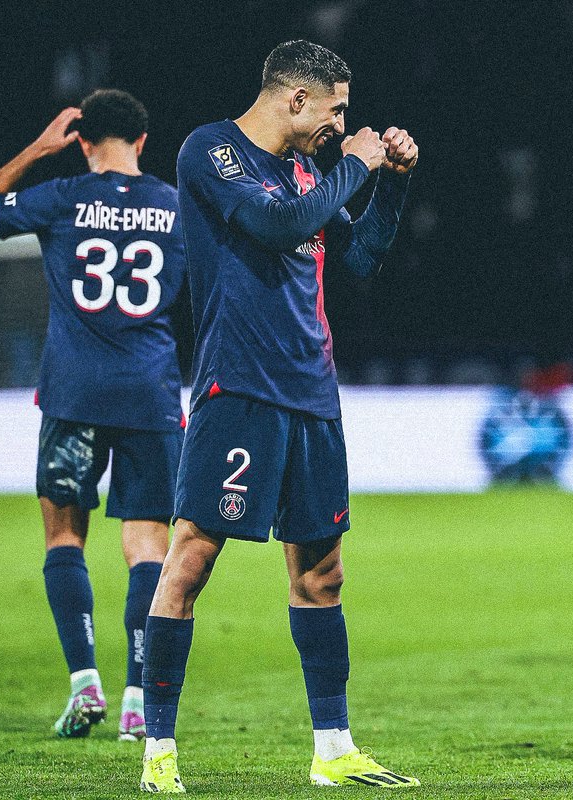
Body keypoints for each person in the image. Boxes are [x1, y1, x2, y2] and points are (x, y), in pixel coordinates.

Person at [137, 40, 419, 793]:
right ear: (297, 98)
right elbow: (273, 227)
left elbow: (358, 263)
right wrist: (357, 164)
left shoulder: (307, 172)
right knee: (191, 559)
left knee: (322, 575)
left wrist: (388, 183)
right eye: (337, 110)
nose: (342, 124)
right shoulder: (212, 151)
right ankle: (158, 753)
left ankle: (333, 747)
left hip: (312, 396)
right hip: (240, 390)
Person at [0, 90, 186, 742]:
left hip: (73, 394)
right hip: (150, 392)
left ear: (83, 139)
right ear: (144, 141)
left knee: (65, 538)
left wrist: (39, 148)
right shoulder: (177, 207)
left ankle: (84, 685)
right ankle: (134, 700)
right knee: (147, 547)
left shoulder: (63, 196)